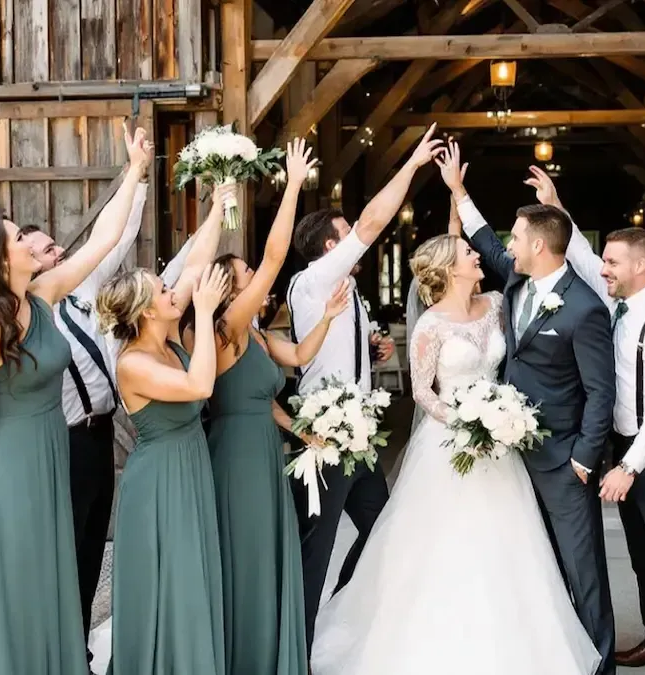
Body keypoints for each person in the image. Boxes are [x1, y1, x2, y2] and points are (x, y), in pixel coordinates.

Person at [309, 234, 601, 675]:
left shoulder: (499, 307)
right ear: (449, 268)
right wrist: (467, 421)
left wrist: (499, 418)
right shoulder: (430, 324)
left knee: (510, 546)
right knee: (443, 548)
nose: (477, 256)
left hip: (500, 446)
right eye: (468, 252)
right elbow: (423, 392)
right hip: (450, 446)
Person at [0, 125, 152, 675]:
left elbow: (104, 240)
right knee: (17, 586)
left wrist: (133, 172)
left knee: (51, 584)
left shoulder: (41, 295)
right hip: (6, 474)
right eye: (17, 239)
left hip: (49, 456)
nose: (30, 243)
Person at [440, 143, 618, 674]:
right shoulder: (518, 279)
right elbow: (486, 248)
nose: (507, 244)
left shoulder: (585, 309)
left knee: (583, 568)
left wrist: (585, 460)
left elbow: (600, 392)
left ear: (539, 244)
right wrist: (459, 192)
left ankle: (598, 664)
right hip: (515, 453)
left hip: (565, 460)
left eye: (515, 237)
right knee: (538, 567)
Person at [525, 165, 645, 673]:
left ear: (642, 266)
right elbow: (579, 254)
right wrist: (556, 203)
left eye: (612, 262)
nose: (601, 268)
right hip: (630, 449)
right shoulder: (619, 302)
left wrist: (630, 467)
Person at [285, 124, 442, 650]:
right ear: (331, 245)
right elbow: (375, 219)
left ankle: (339, 612)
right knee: (317, 546)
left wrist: (371, 353)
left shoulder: (346, 291)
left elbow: (341, 349)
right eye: (347, 231)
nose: (358, 233)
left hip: (360, 434)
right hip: (325, 437)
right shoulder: (313, 281)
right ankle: (298, 649)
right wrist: (413, 162)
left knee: (381, 528)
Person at [189, 140, 332, 675]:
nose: (257, 275)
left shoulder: (251, 328)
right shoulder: (224, 329)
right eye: (245, 272)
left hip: (264, 452)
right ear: (229, 284)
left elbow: (292, 362)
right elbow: (276, 256)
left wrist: (300, 430)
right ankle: (245, 655)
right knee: (246, 557)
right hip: (236, 458)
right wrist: (292, 184)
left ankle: (267, 652)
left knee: (269, 553)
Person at [95, 186, 236, 673]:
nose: (172, 290)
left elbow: (195, 266)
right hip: (159, 482)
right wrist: (200, 309)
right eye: (163, 290)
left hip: (189, 464)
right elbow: (200, 384)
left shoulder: (168, 334)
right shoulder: (133, 362)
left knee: (191, 572)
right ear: (147, 310)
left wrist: (217, 205)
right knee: (169, 577)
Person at [18, 162, 148, 653]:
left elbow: (112, 240)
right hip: (65, 442)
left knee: (93, 546)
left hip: (99, 437)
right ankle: (59, 648)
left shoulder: (83, 294)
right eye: (48, 248)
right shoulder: (31, 312)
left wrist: (136, 182)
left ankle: (79, 646)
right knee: (66, 551)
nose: (60, 251)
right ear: (28, 262)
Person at [405, 161, 469, 441]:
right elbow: (422, 389)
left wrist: (457, 192)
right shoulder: (432, 319)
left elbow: (455, 232)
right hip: (451, 414)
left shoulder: (484, 302)